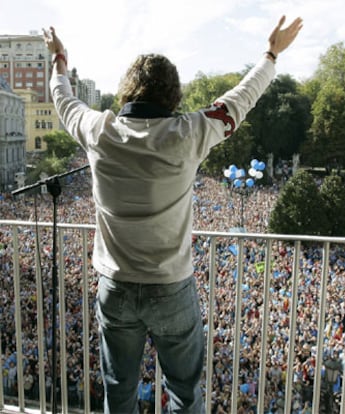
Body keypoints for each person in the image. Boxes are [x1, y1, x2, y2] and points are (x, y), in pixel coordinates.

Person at [43, 13, 302, 414]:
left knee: (119, 387)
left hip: (115, 285)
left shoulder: (99, 131)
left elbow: (64, 99)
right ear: (174, 95)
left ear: (127, 90)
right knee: (184, 391)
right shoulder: (190, 133)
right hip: (171, 287)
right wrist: (270, 54)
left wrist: (59, 60)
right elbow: (240, 98)